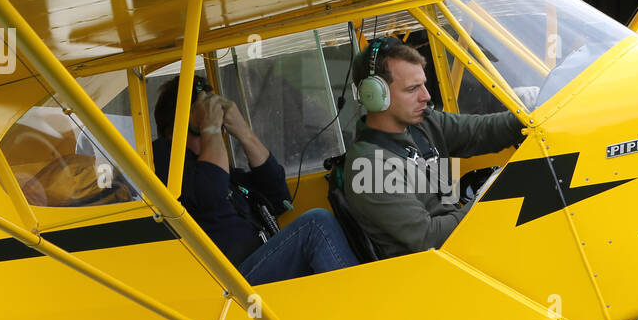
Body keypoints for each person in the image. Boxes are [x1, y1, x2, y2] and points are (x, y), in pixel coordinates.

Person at [152, 76, 359, 284]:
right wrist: (210, 129)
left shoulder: (225, 174)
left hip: (256, 266)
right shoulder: (164, 156)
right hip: (230, 286)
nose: (220, 127)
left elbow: (279, 198)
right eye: (209, 113)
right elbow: (211, 196)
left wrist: (244, 133)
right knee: (316, 225)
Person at [342, 36, 524, 258]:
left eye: (424, 85)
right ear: (374, 96)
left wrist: (530, 115)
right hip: (432, 272)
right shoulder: (369, 167)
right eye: (412, 89)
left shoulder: (423, 124)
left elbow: (484, 131)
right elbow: (428, 239)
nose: (426, 96)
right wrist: (485, 200)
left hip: (463, 247)